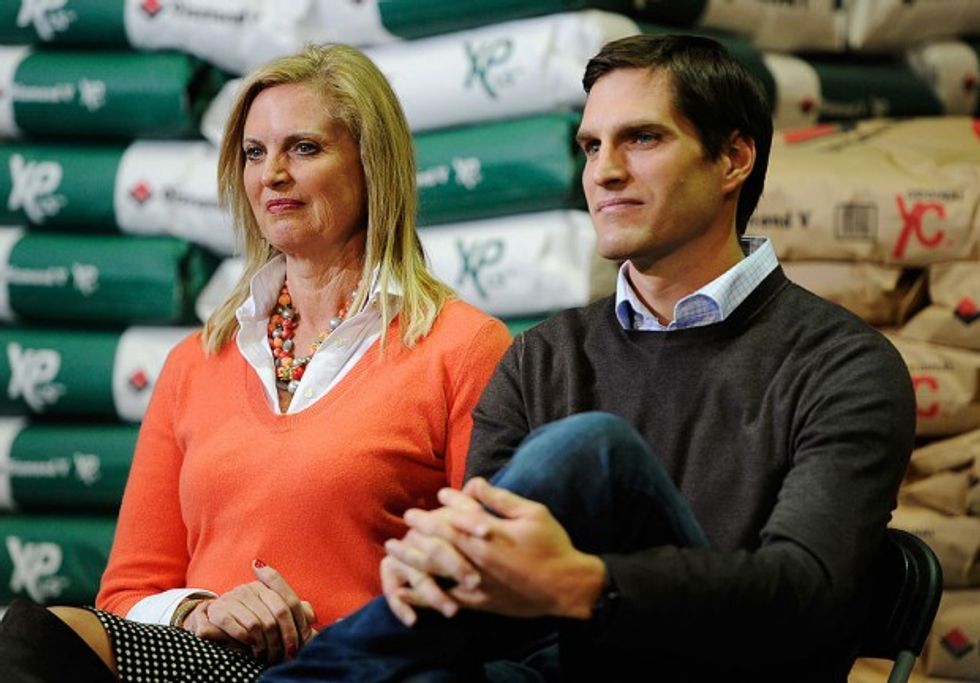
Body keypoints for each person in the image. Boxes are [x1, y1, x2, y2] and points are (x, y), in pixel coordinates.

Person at [258, 34, 916, 682]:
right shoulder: (541, 358)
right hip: (561, 670)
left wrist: (583, 583)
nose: (604, 171)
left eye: (642, 138)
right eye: (591, 146)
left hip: (732, 669)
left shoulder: (844, 366)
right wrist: (436, 567)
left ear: (733, 159)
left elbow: (803, 597)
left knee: (595, 451)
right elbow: (485, 599)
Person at [0, 43, 511, 682]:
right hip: (203, 665)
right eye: (254, 152)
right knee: (32, 634)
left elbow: (495, 589)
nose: (272, 174)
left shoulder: (463, 347)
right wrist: (201, 613)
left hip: (362, 670)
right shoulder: (196, 362)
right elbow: (127, 592)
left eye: (304, 148)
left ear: (372, 164)